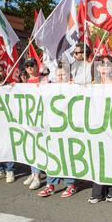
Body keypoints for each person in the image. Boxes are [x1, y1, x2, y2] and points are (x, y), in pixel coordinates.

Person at [37, 61, 77, 198]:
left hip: (68, 127)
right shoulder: (49, 87)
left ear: (68, 75)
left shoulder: (73, 87)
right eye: (58, 74)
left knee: (67, 155)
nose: (60, 76)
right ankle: (50, 184)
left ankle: (70, 184)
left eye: (63, 74)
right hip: (52, 128)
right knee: (52, 155)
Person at [88, 55, 112, 204]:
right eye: (102, 64)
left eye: (108, 64)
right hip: (96, 127)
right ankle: (97, 191)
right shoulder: (91, 85)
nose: (105, 66)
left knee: (111, 158)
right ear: (97, 67)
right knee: (98, 158)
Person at [21, 57, 45, 190]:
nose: (29, 68)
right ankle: (33, 172)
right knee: (31, 147)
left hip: (41, 119)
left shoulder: (44, 80)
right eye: (27, 66)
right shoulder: (25, 82)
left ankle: (37, 176)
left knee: (38, 147)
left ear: (37, 66)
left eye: (32, 65)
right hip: (29, 119)